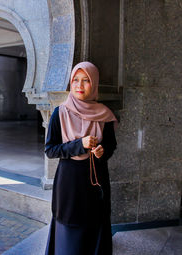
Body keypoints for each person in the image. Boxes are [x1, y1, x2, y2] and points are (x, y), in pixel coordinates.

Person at [45, 61, 117, 255]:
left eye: (86, 80)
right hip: (70, 184)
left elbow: (111, 145)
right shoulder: (60, 113)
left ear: (94, 84)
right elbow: (50, 150)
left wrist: (103, 151)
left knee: (95, 227)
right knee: (69, 231)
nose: (79, 85)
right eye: (76, 80)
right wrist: (80, 144)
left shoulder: (104, 115)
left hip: (96, 182)